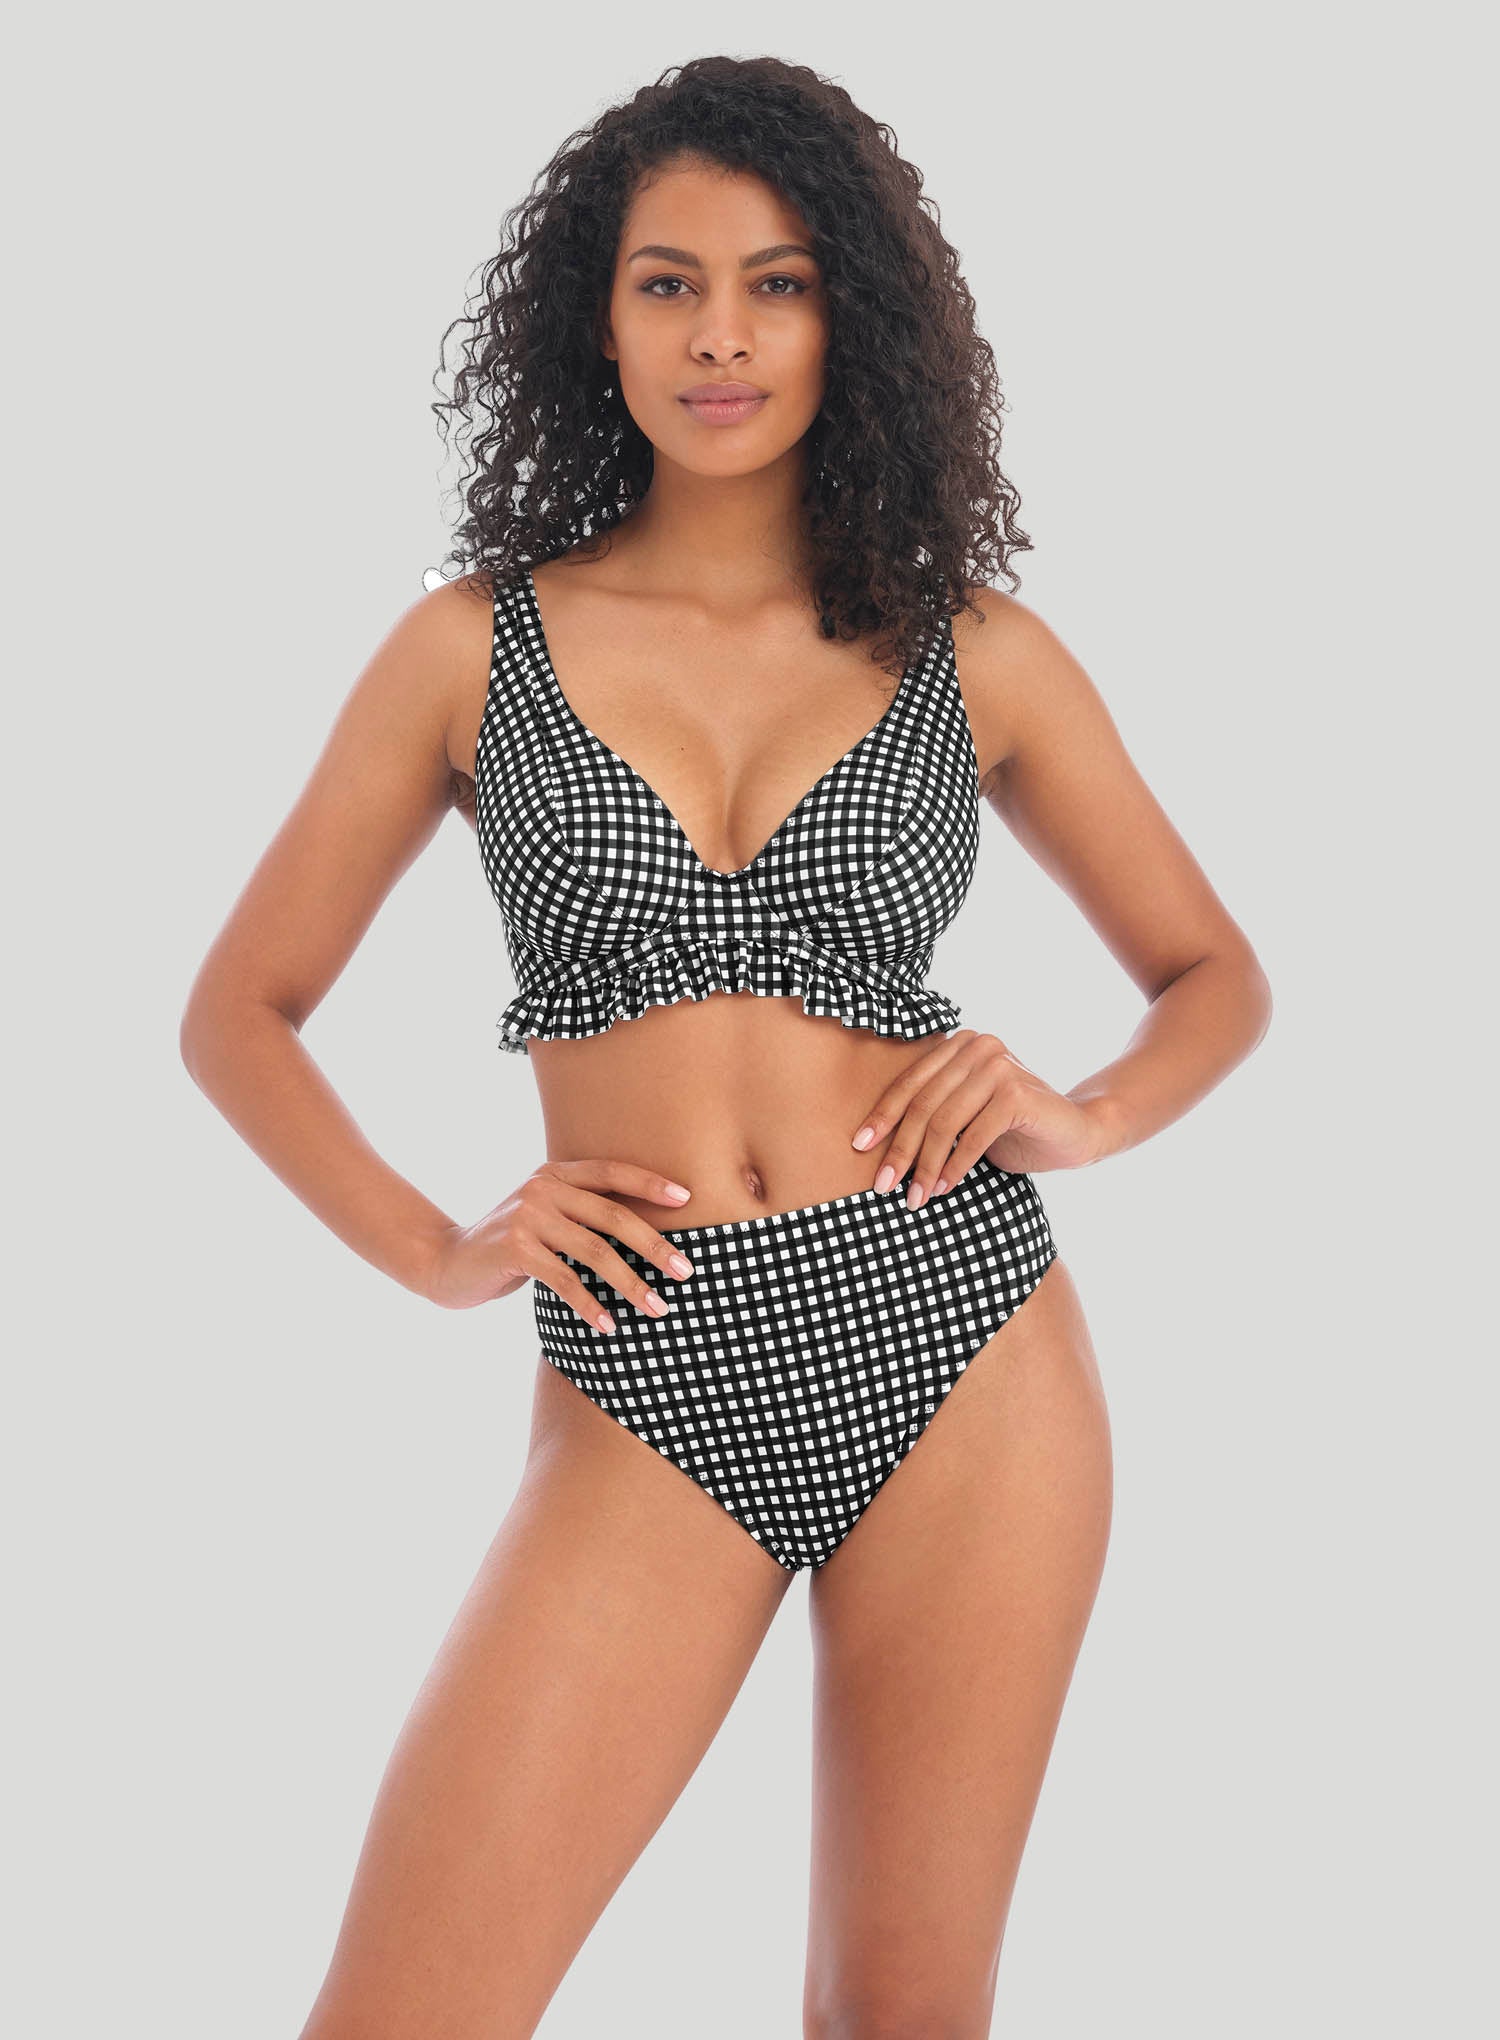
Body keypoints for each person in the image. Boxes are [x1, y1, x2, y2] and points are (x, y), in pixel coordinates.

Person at [180, 53, 1272, 2040]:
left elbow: (1214, 972)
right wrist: (439, 1247)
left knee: (899, 2017)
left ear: (850, 319)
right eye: (669, 284)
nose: (721, 337)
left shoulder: (972, 651)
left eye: (778, 285)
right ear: (594, 320)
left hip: (964, 1342)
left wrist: (1084, 1111)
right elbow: (236, 1011)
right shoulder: (470, 649)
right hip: (650, 1361)